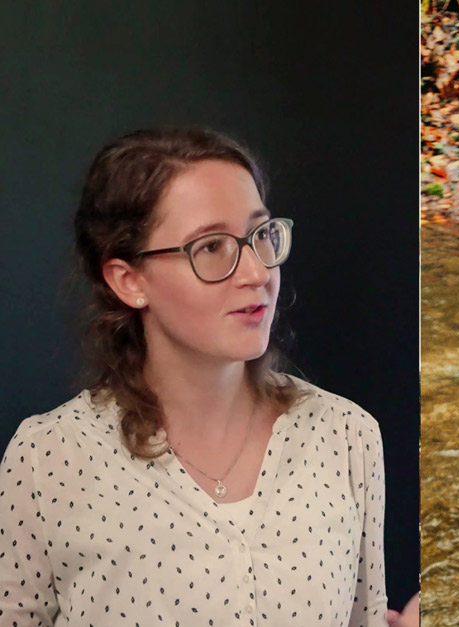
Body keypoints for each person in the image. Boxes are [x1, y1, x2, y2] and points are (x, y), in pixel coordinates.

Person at [0, 127, 413, 626]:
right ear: (129, 281)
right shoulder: (49, 459)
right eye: (212, 247)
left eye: (261, 236)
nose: (257, 273)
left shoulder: (346, 435)